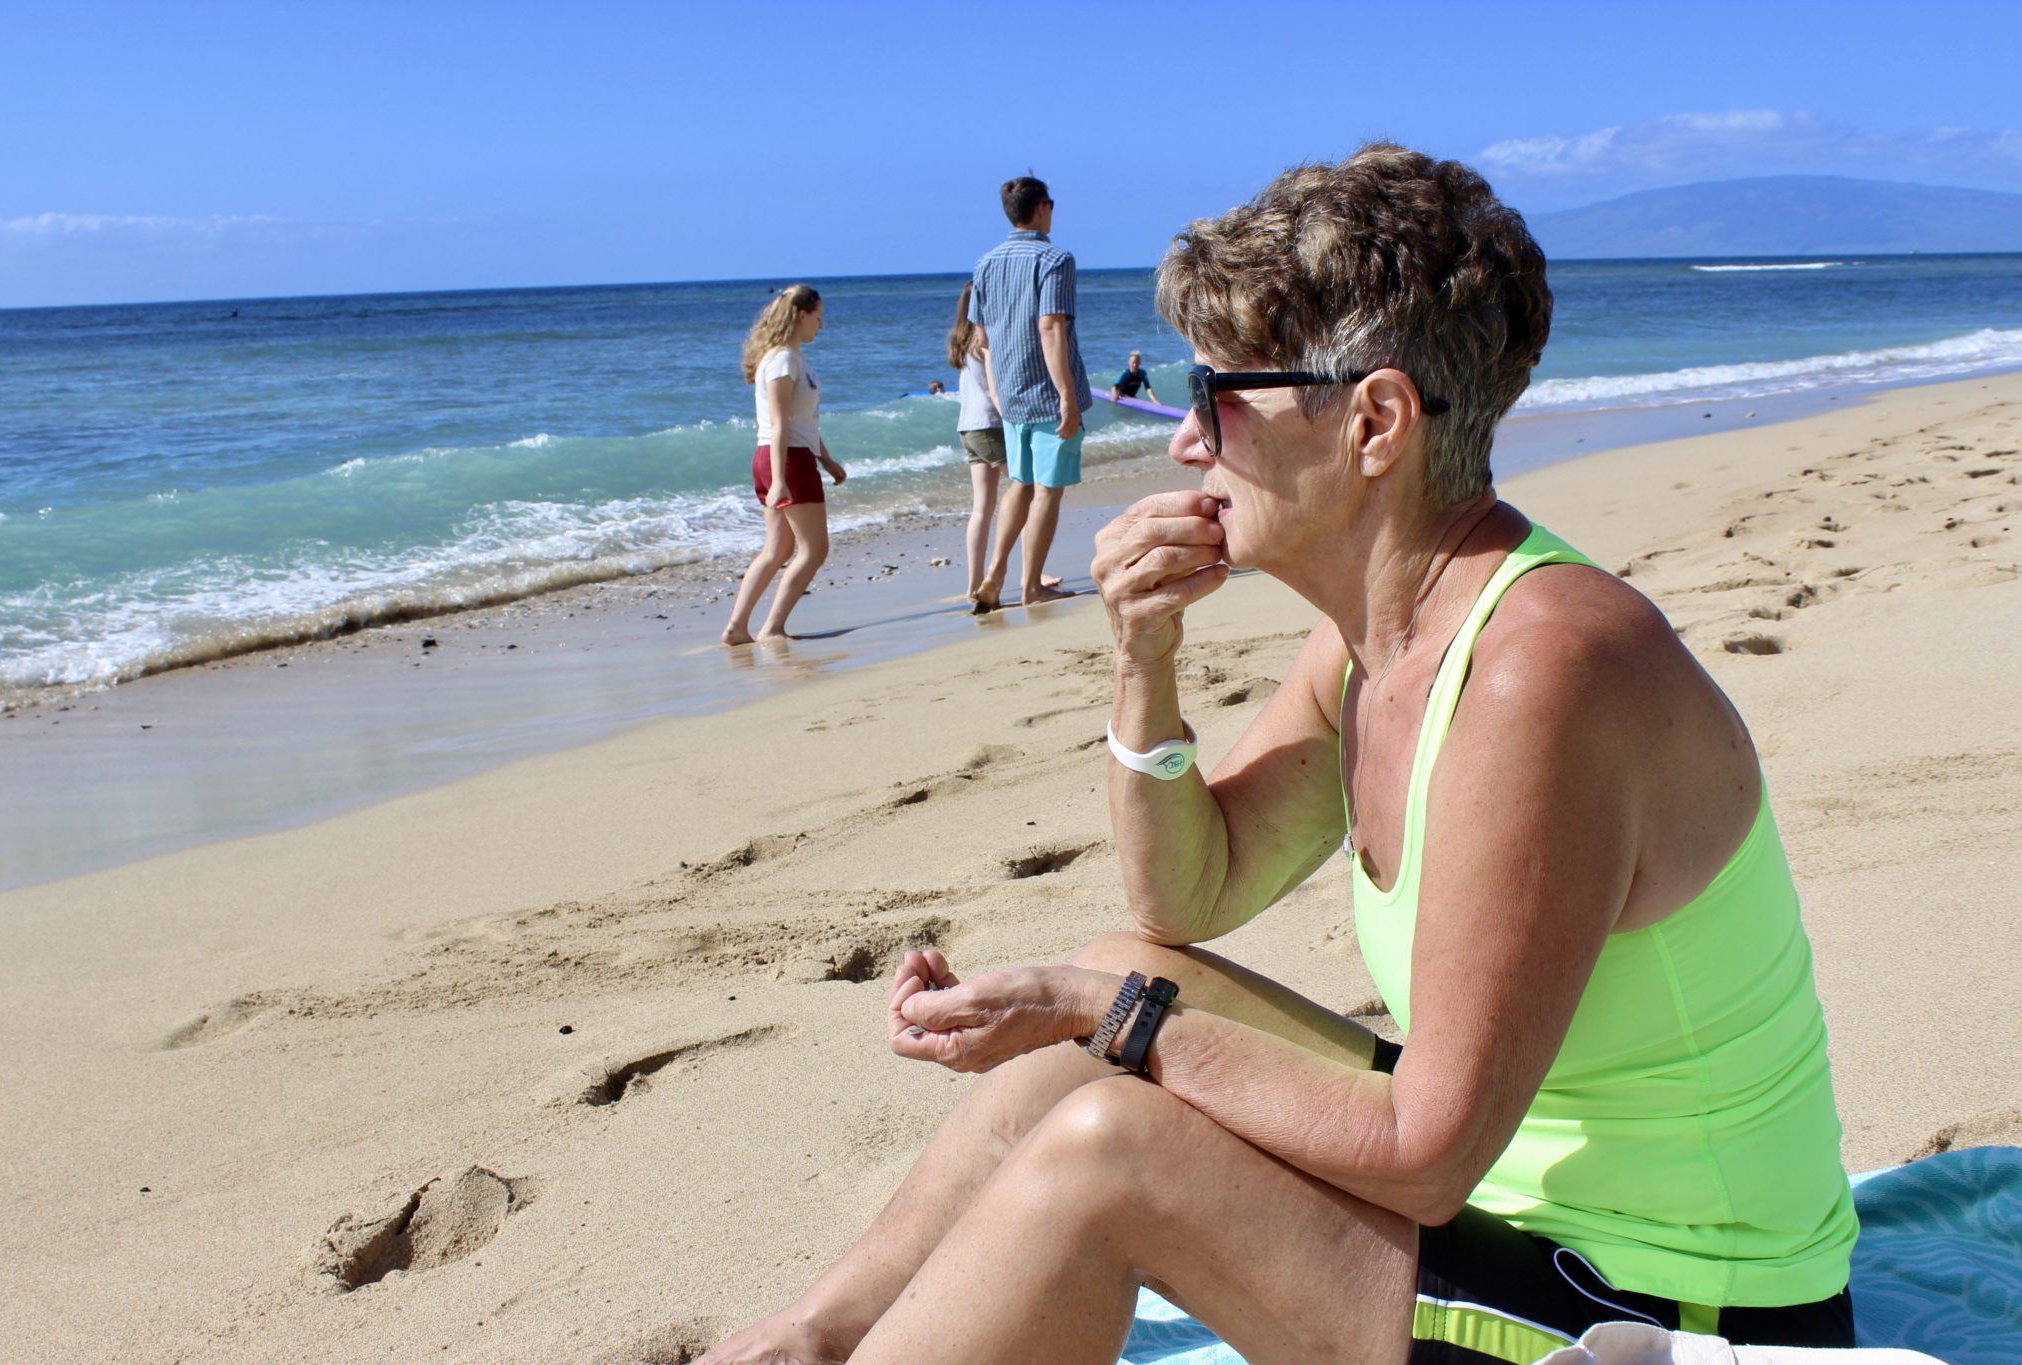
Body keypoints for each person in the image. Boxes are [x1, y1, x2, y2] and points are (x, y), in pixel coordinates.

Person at [699, 147, 1858, 1362]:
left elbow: (1423, 1158)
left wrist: (1104, 1017)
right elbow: (1185, 899)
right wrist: (1142, 660)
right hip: (1510, 1213)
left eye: (1214, 397)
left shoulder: (1539, 674)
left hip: (1672, 1309)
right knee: (1114, 983)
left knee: (1109, 1137)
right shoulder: (1371, 642)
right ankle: (816, 1337)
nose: (1184, 443)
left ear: (1373, 422)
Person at [967, 175, 1090, 614]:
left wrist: (998, 390)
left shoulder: (986, 263)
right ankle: (1031, 585)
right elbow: (1050, 326)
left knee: (1020, 485)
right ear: (1041, 208)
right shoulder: (1054, 258)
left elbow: (982, 337)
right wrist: (1067, 395)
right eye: (1051, 204)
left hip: (1011, 394)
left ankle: (995, 573)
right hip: (1046, 391)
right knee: (1047, 490)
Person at [720, 284, 846, 646]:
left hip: (786, 456)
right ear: (801, 315)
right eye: (818, 317)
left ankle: (737, 628)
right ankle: (772, 628)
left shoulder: (791, 358)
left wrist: (825, 458)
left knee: (777, 550)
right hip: (786, 460)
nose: (821, 325)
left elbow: (801, 422)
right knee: (814, 550)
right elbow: (779, 425)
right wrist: (779, 479)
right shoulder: (782, 361)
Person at [947, 282, 1006, 602]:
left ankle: (973, 583)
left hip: (968, 426)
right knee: (1026, 494)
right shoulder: (983, 340)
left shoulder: (961, 339)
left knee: (981, 508)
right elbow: (994, 389)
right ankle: (1032, 572)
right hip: (989, 424)